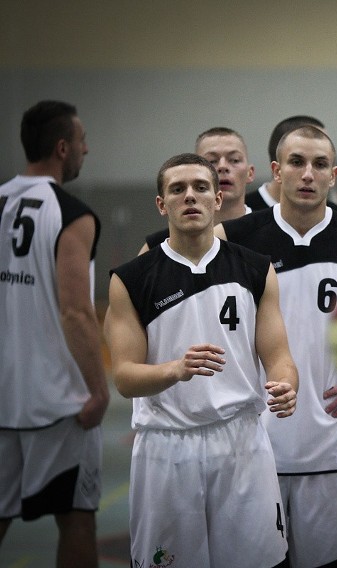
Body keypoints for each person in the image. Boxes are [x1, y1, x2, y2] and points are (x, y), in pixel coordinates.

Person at [105, 153, 299, 567]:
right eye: (177, 189)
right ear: (162, 204)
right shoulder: (131, 278)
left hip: (241, 440)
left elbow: (279, 357)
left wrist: (286, 384)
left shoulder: (255, 268)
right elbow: (124, 377)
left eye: (200, 188)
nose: (189, 196)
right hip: (167, 446)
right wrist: (175, 369)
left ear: (216, 199)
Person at [215, 125, 337, 567]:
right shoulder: (233, 238)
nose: (306, 174)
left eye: (317, 165)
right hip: (254, 447)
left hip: (333, 447)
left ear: (333, 174)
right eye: (295, 163)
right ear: (275, 171)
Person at [0, 100, 109, 567]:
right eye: (82, 140)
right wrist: (98, 389)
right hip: (60, 403)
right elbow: (76, 313)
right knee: (78, 519)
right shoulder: (71, 213)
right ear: (63, 149)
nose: (87, 148)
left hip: (4, 398)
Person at [141, 126, 255, 252]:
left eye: (234, 160)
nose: (223, 167)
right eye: (211, 161)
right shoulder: (158, 245)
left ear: (250, 173)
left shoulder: (271, 227)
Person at [245, 115, 326, 210]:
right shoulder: (242, 213)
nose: (308, 175)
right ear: (277, 169)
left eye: (320, 164)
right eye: (297, 162)